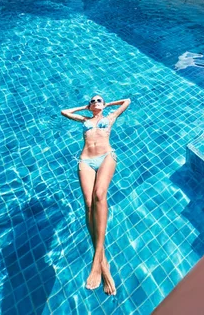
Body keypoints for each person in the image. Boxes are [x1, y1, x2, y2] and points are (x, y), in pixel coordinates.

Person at [61, 94, 131, 293]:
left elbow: (127, 101)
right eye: (93, 101)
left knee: (100, 195)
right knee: (89, 205)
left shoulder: (110, 118)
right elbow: (64, 112)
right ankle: (103, 264)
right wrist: (85, 108)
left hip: (106, 156)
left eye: (98, 100)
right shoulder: (85, 120)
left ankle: (96, 262)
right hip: (85, 161)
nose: (95, 102)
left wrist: (108, 104)